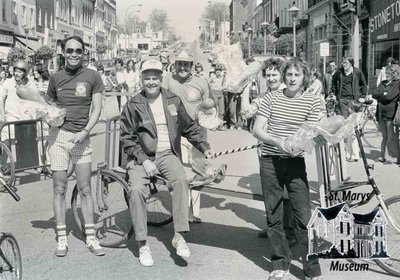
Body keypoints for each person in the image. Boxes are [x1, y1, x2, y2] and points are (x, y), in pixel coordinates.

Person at [120, 59, 213, 266]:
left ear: (161, 79)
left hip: (167, 154)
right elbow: (127, 138)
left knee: (180, 181)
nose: (151, 82)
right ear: (141, 79)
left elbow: (188, 127)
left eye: (155, 78)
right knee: (136, 190)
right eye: (147, 78)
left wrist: (203, 146)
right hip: (140, 156)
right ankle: (142, 243)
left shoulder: (173, 100)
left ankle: (179, 236)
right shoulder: (133, 104)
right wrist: (144, 161)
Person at [253, 58, 324, 280]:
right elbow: (258, 129)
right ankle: (280, 264)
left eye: (297, 75)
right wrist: (279, 142)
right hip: (270, 161)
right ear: (284, 76)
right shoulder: (271, 98)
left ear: (305, 78)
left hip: (295, 163)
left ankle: (312, 270)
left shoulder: (313, 101)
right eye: (289, 74)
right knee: (274, 215)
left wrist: (318, 138)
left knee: (303, 217)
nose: (292, 79)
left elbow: (314, 131)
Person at [45, 35, 105, 257]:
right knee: (59, 189)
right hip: (59, 138)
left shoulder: (93, 76)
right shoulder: (55, 78)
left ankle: (91, 237)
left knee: (85, 188)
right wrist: (49, 117)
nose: (73, 55)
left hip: (81, 137)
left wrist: (85, 132)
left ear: (84, 53)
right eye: (69, 51)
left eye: (78, 51)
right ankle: (62, 239)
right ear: (63, 52)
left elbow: (97, 109)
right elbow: (48, 106)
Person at [162, 51, 226, 223]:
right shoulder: (168, 79)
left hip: (197, 133)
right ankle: (183, 212)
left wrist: (212, 118)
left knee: (197, 171)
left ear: (191, 67)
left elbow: (211, 106)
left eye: (186, 65)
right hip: (176, 134)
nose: (182, 67)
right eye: (179, 64)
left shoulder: (201, 82)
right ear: (175, 65)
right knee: (182, 172)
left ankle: (194, 213)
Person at [330, 56, 368, 162]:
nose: (343, 64)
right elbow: (333, 83)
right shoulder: (339, 73)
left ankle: (355, 154)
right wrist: (333, 94)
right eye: (342, 62)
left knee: (353, 128)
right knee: (345, 128)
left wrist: (362, 97)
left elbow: (364, 85)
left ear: (351, 63)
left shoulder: (357, 72)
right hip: (342, 101)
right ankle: (346, 153)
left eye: (345, 62)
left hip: (354, 101)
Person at [372, 63, 400, 164]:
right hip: (380, 113)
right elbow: (374, 94)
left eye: (389, 73)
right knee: (384, 136)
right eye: (386, 72)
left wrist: (382, 96)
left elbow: (390, 97)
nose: (387, 74)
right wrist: (382, 94)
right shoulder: (383, 83)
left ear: (395, 73)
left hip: (391, 114)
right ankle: (383, 156)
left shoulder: (397, 84)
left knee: (391, 136)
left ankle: (391, 158)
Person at [208, 63, 226, 130]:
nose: (218, 72)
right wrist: (211, 88)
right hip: (214, 93)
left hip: (220, 93)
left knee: (221, 110)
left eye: (219, 71)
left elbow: (225, 84)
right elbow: (207, 82)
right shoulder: (212, 77)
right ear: (215, 72)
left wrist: (223, 87)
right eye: (217, 71)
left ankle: (220, 125)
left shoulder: (223, 77)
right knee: (214, 109)